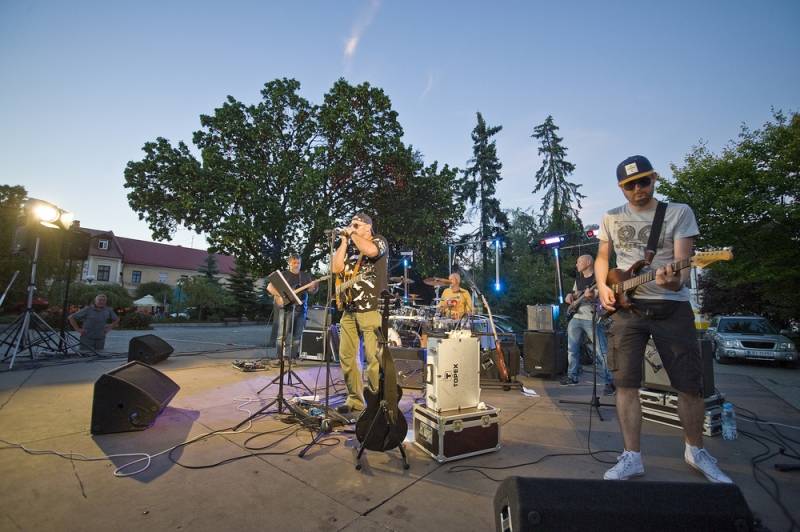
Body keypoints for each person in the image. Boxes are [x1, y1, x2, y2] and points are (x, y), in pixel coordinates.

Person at [596, 155, 732, 484]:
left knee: (689, 385)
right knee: (625, 385)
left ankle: (695, 450)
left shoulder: (678, 212)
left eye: (644, 181)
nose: (638, 189)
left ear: (654, 178)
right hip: (627, 310)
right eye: (630, 185)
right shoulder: (611, 216)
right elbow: (602, 257)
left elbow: (682, 269)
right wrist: (603, 286)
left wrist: (673, 281)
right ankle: (631, 457)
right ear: (621, 188)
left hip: (671, 307)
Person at [331, 212, 388, 416]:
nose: (352, 228)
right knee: (346, 355)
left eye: (356, 225)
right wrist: (344, 241)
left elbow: (371, 251)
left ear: (368, 227)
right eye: (351, 224)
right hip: (349, 309)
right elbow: (336, 268)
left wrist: (352, 234)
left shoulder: (379, 241)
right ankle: (355, 400)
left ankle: (375, 403)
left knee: (373, 358)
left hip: (371, 308)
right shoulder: (350, 246)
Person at [560, 255, 615, 396]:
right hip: (576, 317)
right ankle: (572, 377)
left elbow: (602, 296)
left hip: (592, 318)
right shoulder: (578, 279)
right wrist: (570, 296)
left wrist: (592, 296)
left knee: (601, 351)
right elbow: (575, 294)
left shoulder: (598, 278)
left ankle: (610, 382)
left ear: (589, 262)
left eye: (579, 261)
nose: (576, 264)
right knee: (571, 349)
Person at [266, 254, 319, 358]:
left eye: (298, 263)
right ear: (289, 263)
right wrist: (280, 296)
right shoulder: (283, 275)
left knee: (297, 336)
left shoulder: (305, 276)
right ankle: (279, 358)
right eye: (294, 263)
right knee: (282, 335)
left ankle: (293, 358)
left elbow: (312, 291)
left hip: (301, 310)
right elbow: (269, 287)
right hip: (286, 309)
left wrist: (314, 287)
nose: (296, 265)